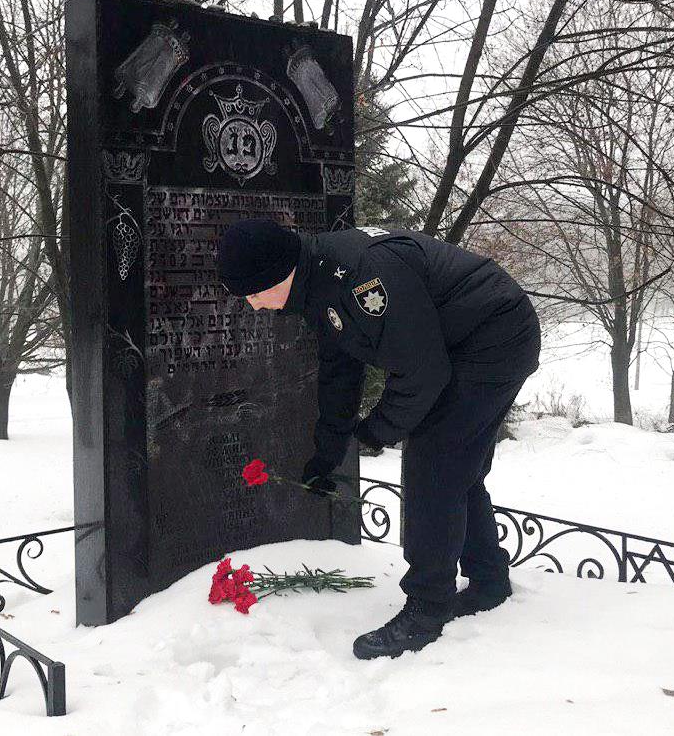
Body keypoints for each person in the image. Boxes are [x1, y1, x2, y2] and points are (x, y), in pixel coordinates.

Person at [217, 219, 541, 660]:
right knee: (455, 469)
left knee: (432, 467)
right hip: (462, 339)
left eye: (254, 294)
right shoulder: (317, 278)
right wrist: (328, 451)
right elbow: (340, 368)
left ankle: (427, 609)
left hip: (492, 337)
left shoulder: (360, 276)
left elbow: (423, 372)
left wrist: (378, 430)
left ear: (279, 273)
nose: (254, 307)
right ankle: (489, 581)